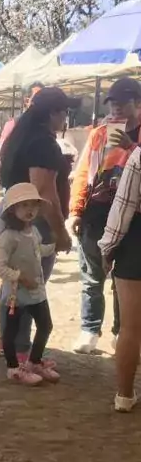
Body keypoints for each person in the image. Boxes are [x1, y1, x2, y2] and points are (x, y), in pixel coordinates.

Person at [0, 86, 75, 359]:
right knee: (32, 285)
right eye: (65, 112)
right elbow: (43, 193)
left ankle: (7, 340)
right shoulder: (44, 143)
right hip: (32, 216)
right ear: (53, 113)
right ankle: (19, 349)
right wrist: (60, 231)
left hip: (11, 209)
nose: (66, 118)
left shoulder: (20, 136)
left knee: (14, 283)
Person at [69, 77, 141, 354]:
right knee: (91, 275)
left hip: (131, 216)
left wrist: (130, 147)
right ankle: (89, 329)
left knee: (125, 278)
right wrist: (76, 210)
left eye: (122, 103)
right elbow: (84, 172)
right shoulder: (99, 133)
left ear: (137, 102)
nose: (117, 109)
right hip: (97, 212)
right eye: (113, 104)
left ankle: (122, 333)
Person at [0, 183, 59, 386]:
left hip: (37, 291)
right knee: (10, 333)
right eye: (24, 206)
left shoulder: (34, 231)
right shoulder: (8, 237)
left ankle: (34, 361)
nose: (30, 210)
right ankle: (13, 368)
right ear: (13, 210)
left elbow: (38, 252)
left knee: (45, 325)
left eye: (33, 205)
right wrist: (19, 277)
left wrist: (55, 247)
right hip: (16, 295)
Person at [99, 146, 141, 412]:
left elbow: (123, 205)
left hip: (137, 243)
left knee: (130, 328)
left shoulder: (139, 156)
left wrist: (108, 246)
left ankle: (124, 395)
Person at [0, 81, 45, 156]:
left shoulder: (47, 126)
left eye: (44, 98)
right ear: (27, 101)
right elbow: (1, 155)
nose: (42, 102)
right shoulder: (13, 125)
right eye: (38, 98)